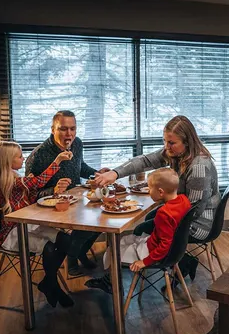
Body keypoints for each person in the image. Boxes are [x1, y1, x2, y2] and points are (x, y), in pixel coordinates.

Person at [93, 115, 220, 280]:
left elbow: (194, 210)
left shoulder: (198, 167)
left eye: (171, 143)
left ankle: (118, 277)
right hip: (185, 216)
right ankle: (183, 262)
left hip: (198, 224)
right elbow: (145, 161)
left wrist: (165, 214)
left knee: (142, 228)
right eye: (165, 141)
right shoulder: (177, 153)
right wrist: (115, 173)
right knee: (152, 217)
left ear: (187, 142)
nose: (166, 147)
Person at [0, 140, 74, 308]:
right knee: (49, 247)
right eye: (19, 157)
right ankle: (53, 286)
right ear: (8, 161)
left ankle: (49, 282)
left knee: (65, 239)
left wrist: (35, 186)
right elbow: (38, 183)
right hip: (13, 233)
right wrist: (57, 161)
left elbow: (31, 193)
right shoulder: (5, 181)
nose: (23, 158)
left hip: (27, 226)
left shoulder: (17, 179)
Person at [26, 110, 109, 276]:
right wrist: (53, 190)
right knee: (84, 225)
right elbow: (29, 194)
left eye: (73, 129)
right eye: (63, 129)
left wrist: (98, 174)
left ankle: (79, 253)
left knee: (102, 220)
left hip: (75, 200)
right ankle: (72, 259)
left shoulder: (77, 143)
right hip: (50, 208)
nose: (69, 134)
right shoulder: (38, 155)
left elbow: (81, 167)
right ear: (53, 129)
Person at [86, 167, 191, 294]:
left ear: (161, 192)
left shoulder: (164, 214)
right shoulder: (183, 200)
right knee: (124, 239)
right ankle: (110, 279)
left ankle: (110, 283)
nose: (149, 191)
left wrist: (144, 262)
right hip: (173, 247)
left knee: (114, 250)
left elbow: (164, 244)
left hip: (153, 252)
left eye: (150, 188)